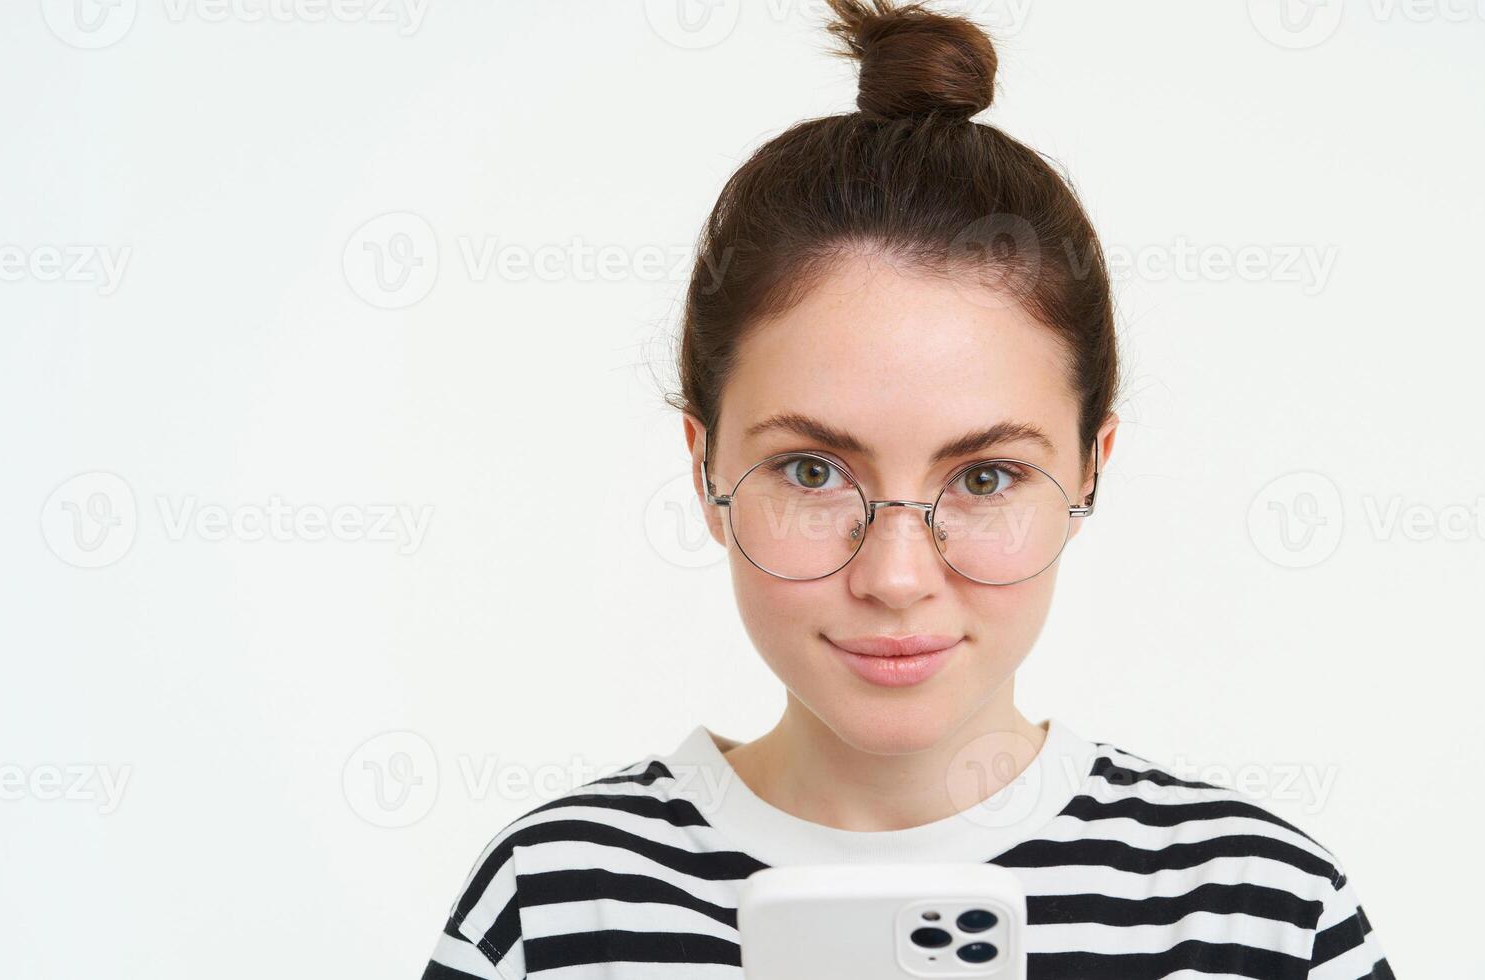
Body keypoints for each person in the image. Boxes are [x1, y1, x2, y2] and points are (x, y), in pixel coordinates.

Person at [421, 2, 1391, 976]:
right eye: (811, 471)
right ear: (704, 468)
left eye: (983, 476)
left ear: (1089, 468)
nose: (894, 577)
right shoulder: (551, 901)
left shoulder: (1260, 914)